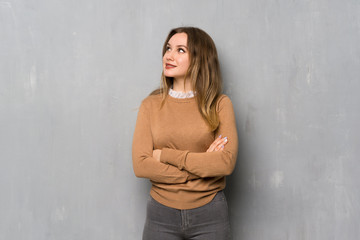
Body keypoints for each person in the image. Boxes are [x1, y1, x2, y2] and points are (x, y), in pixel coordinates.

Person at [132, 26, 238, 240]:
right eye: (168, 48)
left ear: (200, 58)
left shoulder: (219, 104)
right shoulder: (150, 105)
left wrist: (164, 155)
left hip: (210, 215)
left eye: (180, 50)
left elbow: (225, 163)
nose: (169, 56)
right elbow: (141, 164)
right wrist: (202, 167)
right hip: (161, 215)